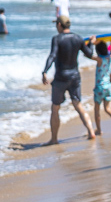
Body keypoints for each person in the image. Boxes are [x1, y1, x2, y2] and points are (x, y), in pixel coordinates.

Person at [41, 16, 96, 144]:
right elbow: (89, 54)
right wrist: (92, 43)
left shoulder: (57, 39)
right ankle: (91, 131)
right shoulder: (78, 38)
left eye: (56, 24)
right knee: (78, 105)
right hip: (75, 76)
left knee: (55, 108)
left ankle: (54, 139)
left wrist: (44, 71)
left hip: (61, 78)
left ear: (59, 24)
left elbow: (52, 55)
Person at [93, 41, 111, 135]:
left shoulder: (99, 60)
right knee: (107, 108)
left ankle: (99, 130)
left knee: (97, 109)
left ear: (97, 51)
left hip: (99, 87)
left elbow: (88, 55)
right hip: (108, 87)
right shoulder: (110, 58)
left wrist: (90, 43)